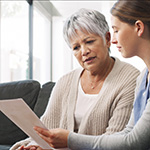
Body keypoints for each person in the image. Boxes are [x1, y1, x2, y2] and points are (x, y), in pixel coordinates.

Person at [10, 8, 140, 150]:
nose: (84, 52)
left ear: (107, 39)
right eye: (76, 47)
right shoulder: (65, 81)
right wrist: (33, 146)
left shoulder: (131, 79)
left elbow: (114, 143)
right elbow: (45, 130)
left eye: (89, 41)